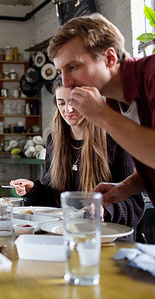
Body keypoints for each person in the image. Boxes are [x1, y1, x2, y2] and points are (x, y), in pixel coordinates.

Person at [47, 13, 155, 207]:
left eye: (73, 67)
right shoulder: (115, 102)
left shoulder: (152, 74)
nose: (66, 83)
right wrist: (127, 186)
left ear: (109, 58)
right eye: (60, 72)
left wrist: (103, 115)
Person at [10, 80, 144, 227]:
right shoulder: (54, 141)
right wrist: (33, 189)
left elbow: (134, 204)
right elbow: (53, 198)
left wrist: (104, 210)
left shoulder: (115, 139)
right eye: (61, 103)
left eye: (74, 102)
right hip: (63, 232)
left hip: (105, 235)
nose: (68, 109)